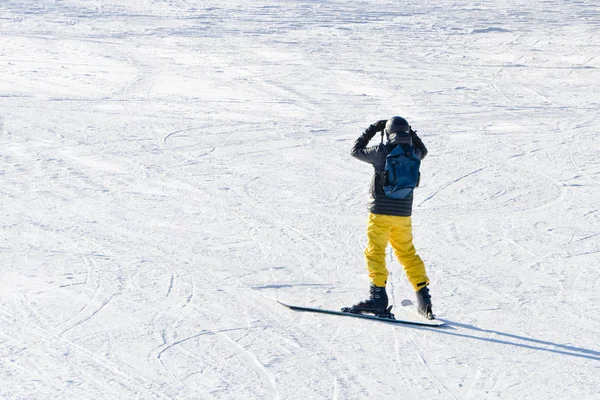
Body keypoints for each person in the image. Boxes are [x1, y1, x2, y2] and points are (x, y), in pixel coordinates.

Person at [341, 116, 435, 319]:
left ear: (388, 133)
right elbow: (424, 150)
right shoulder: (415, 153)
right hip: (403, 215)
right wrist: (411, 133)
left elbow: (355, 150)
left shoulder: (381, 152)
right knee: (408, 254)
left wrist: (373, 129)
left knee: (375, 253)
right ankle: (424, 300)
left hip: (380, 214)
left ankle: (378, 298)